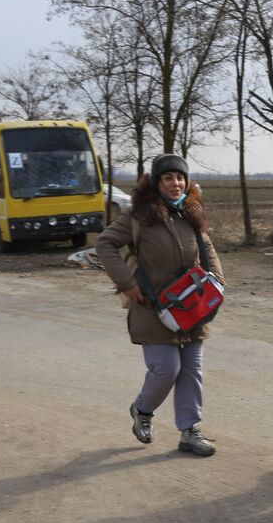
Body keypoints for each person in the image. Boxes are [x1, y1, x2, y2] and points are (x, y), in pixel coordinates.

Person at [95, 154, 224, 457]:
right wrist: (127, 283)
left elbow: (206, 247)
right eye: (168, 178)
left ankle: (190, 431)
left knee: (192, 369)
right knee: (166, 369)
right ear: (157, 182)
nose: (175, 183)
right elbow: (105, 244)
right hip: (153, 306)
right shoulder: (139, 217)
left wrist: (218, 280)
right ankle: (143, 410)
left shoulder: (191, 213)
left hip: (193, 306)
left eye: (180, 177)